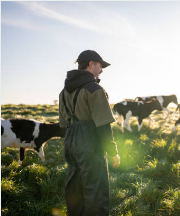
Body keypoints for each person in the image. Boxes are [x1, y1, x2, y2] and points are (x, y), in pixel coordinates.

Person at [59, 50, 120, 216]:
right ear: (91, 64)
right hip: (90, 143)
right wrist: (113, 152)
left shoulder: (63, 92)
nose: (101, 70)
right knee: (96, 192)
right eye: (100, 66)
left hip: (70, 143)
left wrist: (71, 143)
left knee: (75, 190)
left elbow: (63, 125)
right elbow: (103, 125)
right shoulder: (94, 89)